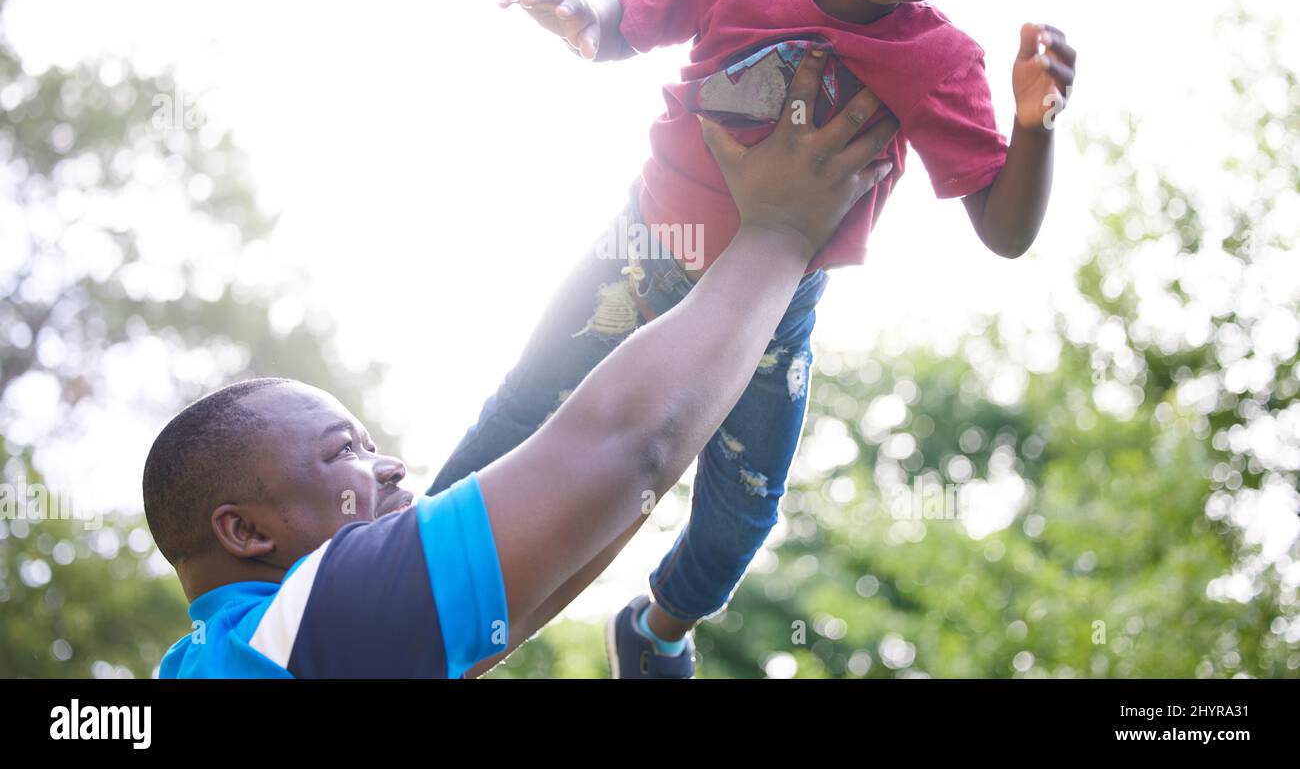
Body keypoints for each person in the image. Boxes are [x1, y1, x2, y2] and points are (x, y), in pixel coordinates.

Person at [428, 0, 1079, 676]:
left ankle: (658, 625)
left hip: (771, 316)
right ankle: (406, 561)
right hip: (640, 245)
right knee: (523, 409)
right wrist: (582, 12)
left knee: (744, 509)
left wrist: (1035, 124)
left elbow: (1004, 228)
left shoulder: (939, 62)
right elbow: (626, 22)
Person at [145, 49, 901, 678]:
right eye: (344, 450)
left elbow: (517, 603)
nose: (390, 466)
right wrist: (781, 231)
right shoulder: (301, 626)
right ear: (243, 531)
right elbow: (624, 448)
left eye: (371, 445)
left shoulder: (215, 662)